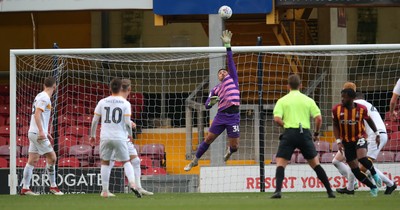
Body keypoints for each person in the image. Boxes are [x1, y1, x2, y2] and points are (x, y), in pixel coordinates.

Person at [271, 74, 335, 199]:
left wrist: (286, 126)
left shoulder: (282, 100)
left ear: (288, 86)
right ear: (300, 86)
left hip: (289, 133)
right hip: (304, 133)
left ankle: (277, 191)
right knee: (315, 164)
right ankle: (329, 191)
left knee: (280, 163)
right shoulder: (308, 100)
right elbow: (318, 119)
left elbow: (277, 119)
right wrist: (316, 133)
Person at [184, 30, 240, 171]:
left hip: (233, 116)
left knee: (235, 146)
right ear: (218, 77)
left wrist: (227, 45)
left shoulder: (232, 80)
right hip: (221, 116)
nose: (222, 72)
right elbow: (207, 105)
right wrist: (212, 102)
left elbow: (230, 62)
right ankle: (195, 160)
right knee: (208, 139)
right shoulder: (215, 89)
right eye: (220, 72)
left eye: (224, 71)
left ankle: (230, 151)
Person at [333, 83, 396, 195]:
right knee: (337, 160)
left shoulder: (356, 105)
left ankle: (352, 187)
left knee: (360, 165)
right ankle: (352, 184)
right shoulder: (366, 104)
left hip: (374, 136)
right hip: (371, 135)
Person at [90, 78, 141, 198]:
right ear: (121, 88)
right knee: (126, 162)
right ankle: (133, 184)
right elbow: (127, 122)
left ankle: (105, 191)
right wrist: (130, 134)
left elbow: (94, 121)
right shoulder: (125, 103)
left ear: (110, 88)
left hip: (105, 137)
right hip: (119, 137)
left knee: (105, 162)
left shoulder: (102, 102)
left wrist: (92, 136)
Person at [107, 79, 153, 196]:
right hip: (119, 136)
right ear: (129, 89)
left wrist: (130, 123)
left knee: (135, 161)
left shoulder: (115, 101)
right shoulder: (124, 102)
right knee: (112, 162)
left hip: (118, 136)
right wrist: (130, 130)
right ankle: (105, 189)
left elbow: (118, 118)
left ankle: (138, 187)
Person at [21, 76, 63, 196]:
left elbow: (38, 115)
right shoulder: (45, 97)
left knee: (32, 159)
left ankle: (25, 188)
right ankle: (53, 186)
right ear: (54, 86)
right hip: (37, 133)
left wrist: (44, 131)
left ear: (44, 85)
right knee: (52, 158)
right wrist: (41, 131)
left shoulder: (39, 96)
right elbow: (37, 114)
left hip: (33, 132)